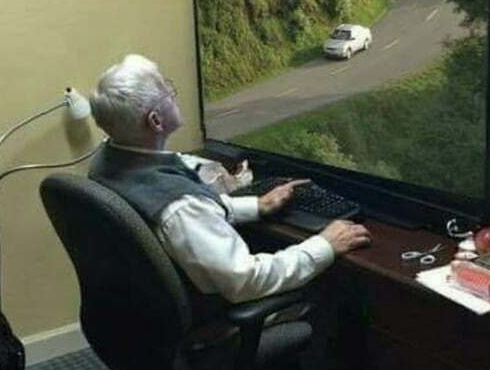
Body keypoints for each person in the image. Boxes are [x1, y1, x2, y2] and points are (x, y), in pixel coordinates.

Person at [87, 54, 371, 324]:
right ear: (155, 121)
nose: (174, 95)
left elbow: (191, 213)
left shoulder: (109, 163)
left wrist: (255, 206)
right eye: (167, 91)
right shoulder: (182, 209)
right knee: (339, 290)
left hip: (143, 312)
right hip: (211, 321)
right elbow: (246, 281)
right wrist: (324, 245)